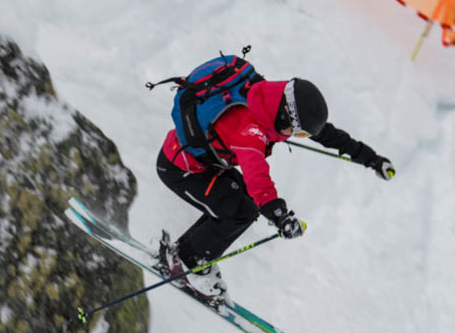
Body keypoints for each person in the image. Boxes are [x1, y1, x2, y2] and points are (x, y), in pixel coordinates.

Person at [153, 52, 395, 303]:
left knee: (241, 204)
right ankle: (187, 263)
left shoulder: (267, 98)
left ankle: (181, 256)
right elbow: (257, 176)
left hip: (204, 164)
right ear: (285, 116)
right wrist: (279, 216)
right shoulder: (250, 129)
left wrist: (371, 158)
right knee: (240, 211)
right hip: (182, 170)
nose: (295, 136)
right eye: (297, 132)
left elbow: (326, 134)